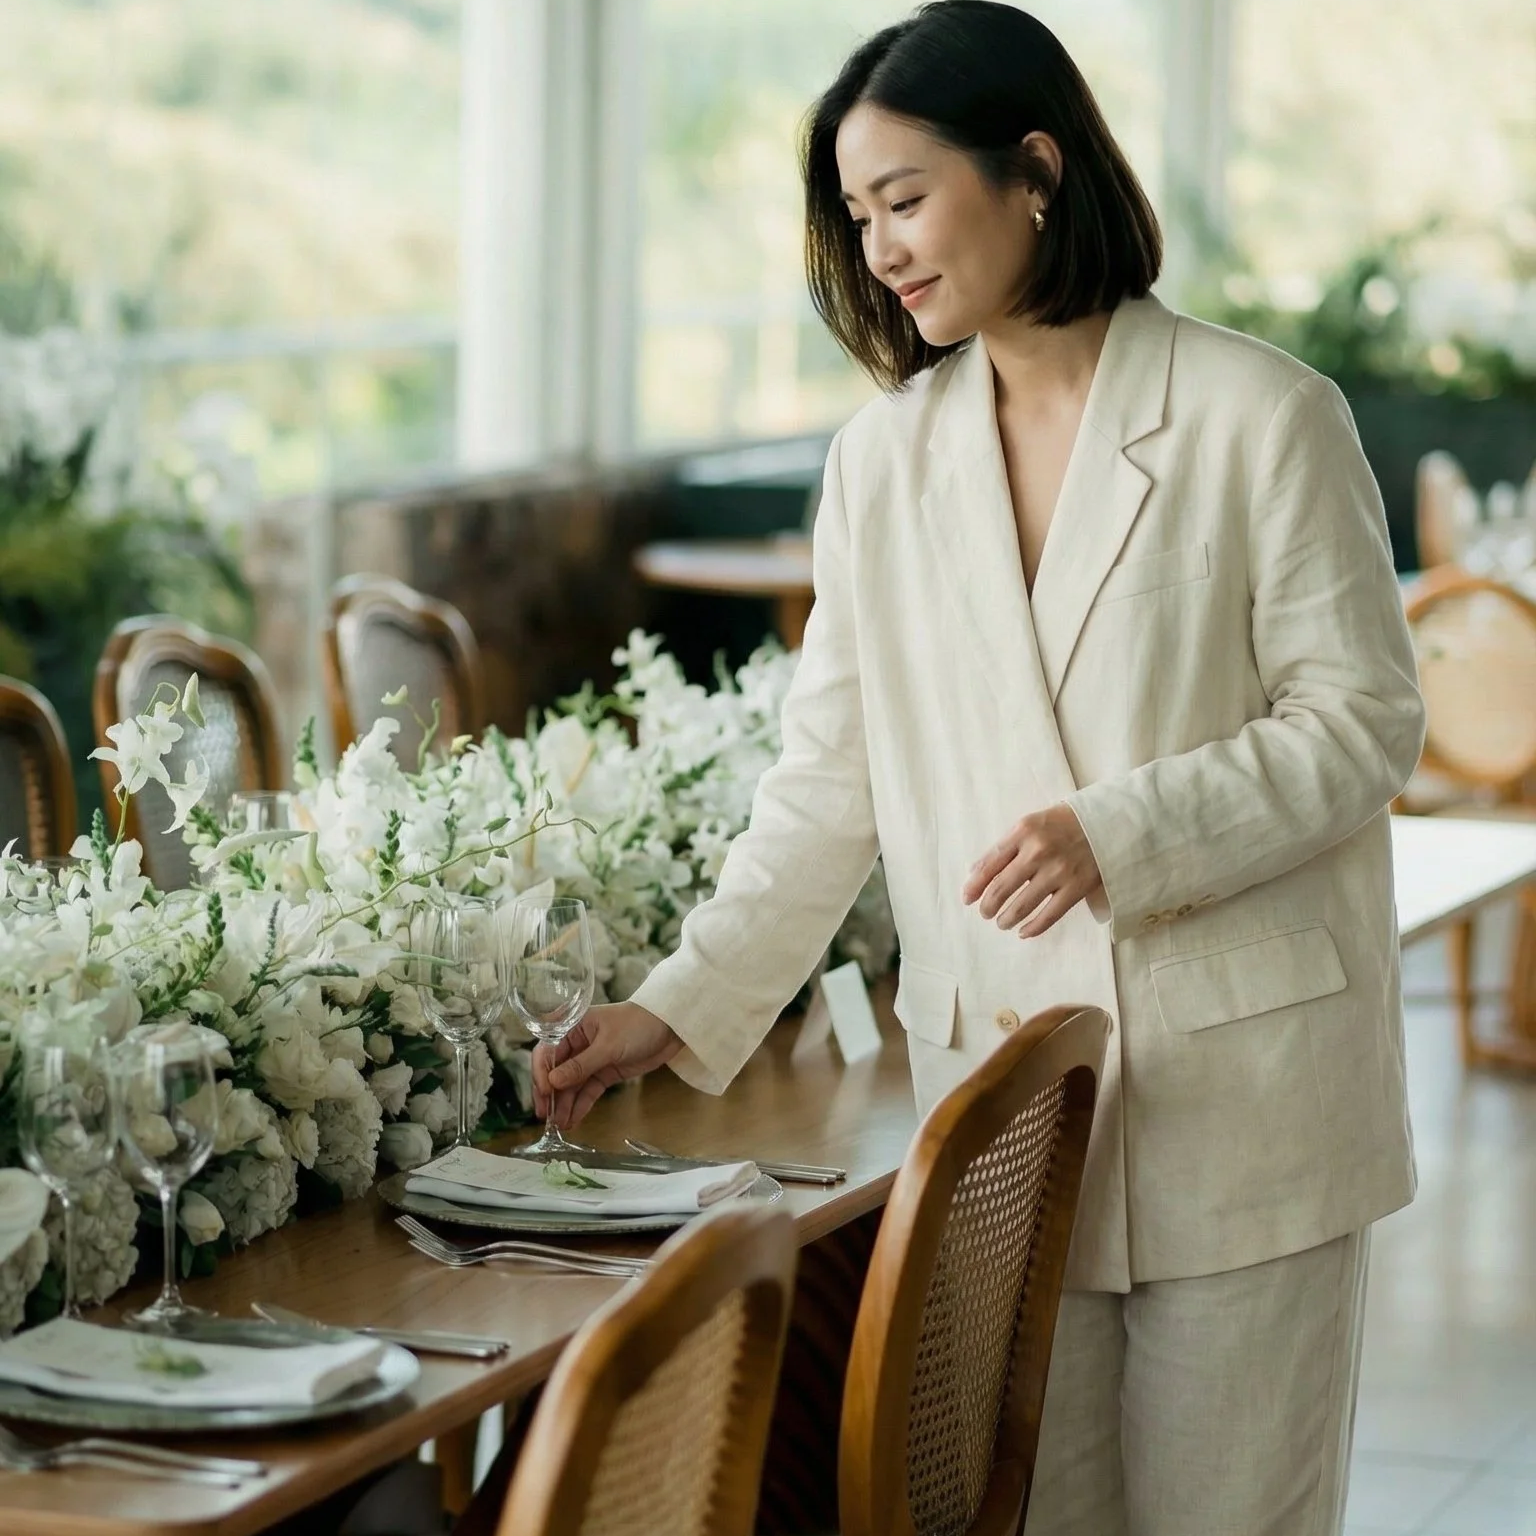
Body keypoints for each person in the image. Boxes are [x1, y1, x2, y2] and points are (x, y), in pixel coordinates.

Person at [534, 4, 1425, 1532]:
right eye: (854, 213)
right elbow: (828, 781)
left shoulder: (1261, 415)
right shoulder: (883, 463)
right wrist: (676, 1003)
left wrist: (1118, 833)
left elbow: (1362, 722)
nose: (877, 248)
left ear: (1033, 169)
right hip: (1002, 1117)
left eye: (904, 199)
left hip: (1246, 1098)